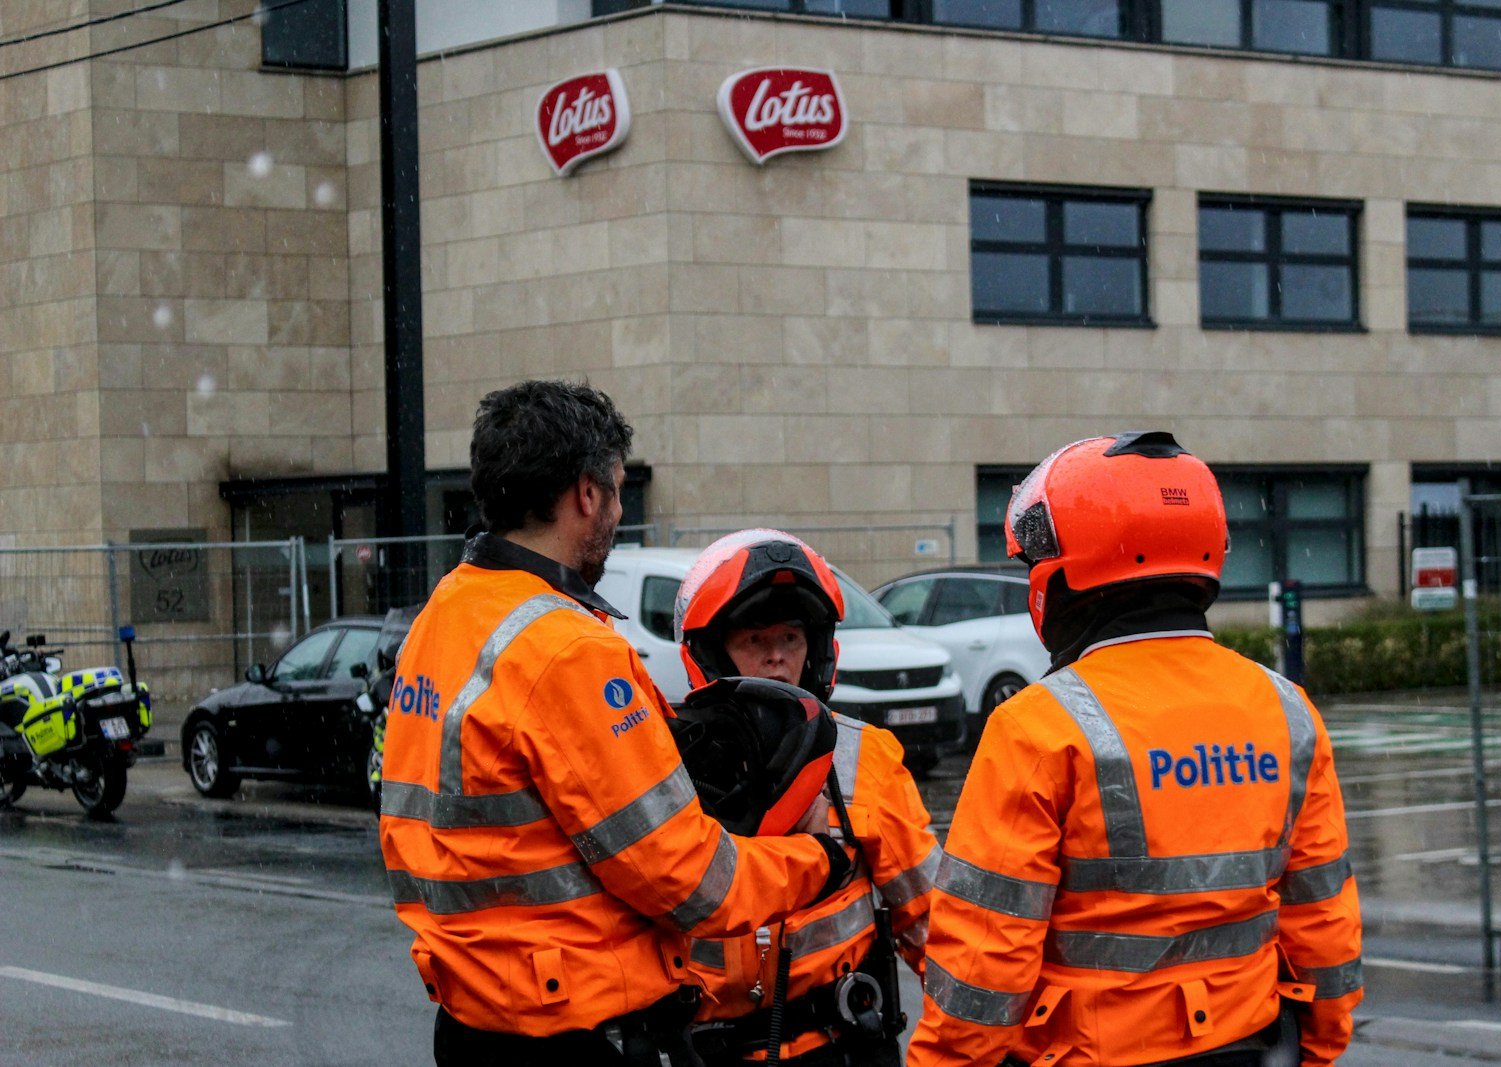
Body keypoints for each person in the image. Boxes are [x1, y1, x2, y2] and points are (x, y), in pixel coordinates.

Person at [378, 381, 854, 1066]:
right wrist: (822, 860)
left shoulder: (444, 615)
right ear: (587, 493)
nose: (620, 509)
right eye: (619, 489)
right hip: (574, 1028)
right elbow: (692, 881)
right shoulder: (567, 648)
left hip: (472, 1019)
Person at [906, 432, 1363, 1067]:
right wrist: (1316, 1049)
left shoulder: (1038, 726)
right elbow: (1324, 922)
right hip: (1250, 1047)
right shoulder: (1287, 709)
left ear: (1066, 574)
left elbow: (985, 961)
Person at [674, 529, 944, 1066]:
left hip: (845, 1045)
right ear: (710, 653)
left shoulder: (866, 759)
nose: (776, 658)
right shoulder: (666, 767)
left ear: (817, 651)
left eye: (791, 639)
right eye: (754, 640)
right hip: (709, 1051)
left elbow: (934, 927)